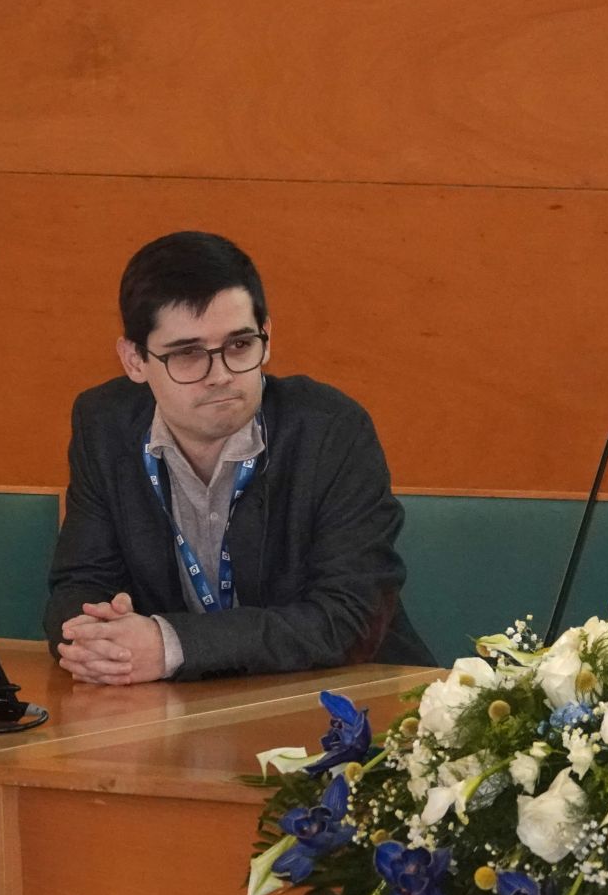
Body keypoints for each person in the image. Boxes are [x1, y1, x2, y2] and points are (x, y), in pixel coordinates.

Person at [46, 231, 433, 683]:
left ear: (266, 337)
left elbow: (350, 618)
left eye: (239, 345)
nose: (221, 375)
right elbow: (79, 584)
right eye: (188, 354)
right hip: (177, 706)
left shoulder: (330, 430)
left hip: (348, 703)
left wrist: (173, 645)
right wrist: (97, 639)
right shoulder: (105, 426)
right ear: (134, 359)